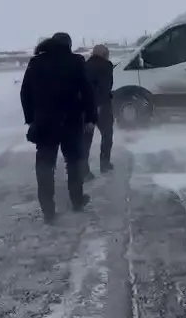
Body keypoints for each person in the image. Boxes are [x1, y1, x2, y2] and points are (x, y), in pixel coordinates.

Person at [21, 32, 98, 224]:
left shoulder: (36, 63)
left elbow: (25, 93)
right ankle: (77, 201)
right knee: (74, 162)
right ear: (68, 45)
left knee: (45, 167)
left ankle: (48, 210)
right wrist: (90, 118)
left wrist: (31, 119)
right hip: (71, 121)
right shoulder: (75, 61)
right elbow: (87, 91)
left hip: (45, 123)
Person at [81, 44, 115, 176]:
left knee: (86, 140)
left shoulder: (84, 66)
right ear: (104, 54)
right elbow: (105, 87)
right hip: (101, 107)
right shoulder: (106, 66)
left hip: (85, 107)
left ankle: (84, 171)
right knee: (107, 135)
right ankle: (105, 164)